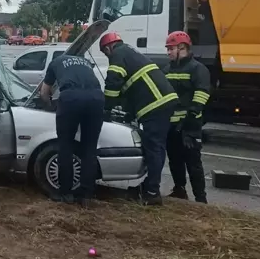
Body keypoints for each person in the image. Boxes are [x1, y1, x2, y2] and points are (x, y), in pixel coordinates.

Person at [99, 32, 178, 206]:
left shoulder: (118, 54)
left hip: (156, 105)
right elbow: (130, 87)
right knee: (156, 147)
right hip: (162, 102)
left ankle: (152, 193)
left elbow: (113, 84)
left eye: (106, 53)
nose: (107, 56)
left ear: (108, 47)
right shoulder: (129, 52)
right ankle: (150, 185)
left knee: (154, 148)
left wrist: (106, 107)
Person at [40, 54, 105, 207]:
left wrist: (50, 106)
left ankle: (65, 194)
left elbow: (44, 92)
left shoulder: (55, 63)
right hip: (96, 98)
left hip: (71, 98)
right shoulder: (85, 62)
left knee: (65, 146)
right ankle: (86, 196)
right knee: (89, 148)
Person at [162, 31, 211, 203]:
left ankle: (200, 199)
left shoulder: (198, 69)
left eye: (171, 49)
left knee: (193, 164)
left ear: (182, 48)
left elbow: (202, 94)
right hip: (172, 126)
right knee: (175, 161)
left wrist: (191, 118)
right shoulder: (167, 69)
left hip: (190, 126)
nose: (168, 52)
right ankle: (179, 190)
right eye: (167, 49)